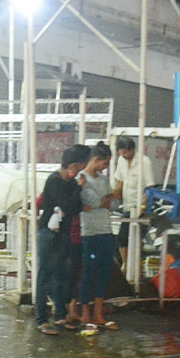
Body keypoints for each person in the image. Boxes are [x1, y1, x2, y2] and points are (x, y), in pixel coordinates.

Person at [34, 144, 90, 335]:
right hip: (49, 234)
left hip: (64, 233)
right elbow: (65, 205)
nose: (81, 171)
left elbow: (76, 207)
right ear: (73, 165)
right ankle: (41, 319)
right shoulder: (54, 180)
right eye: (81, 166)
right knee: (45, 277)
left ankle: (60, 315)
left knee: (61, 275)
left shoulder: (72, 184)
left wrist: (75, 193)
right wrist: (78, 190)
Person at [77, 141, 119, 330]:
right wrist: (104, 200)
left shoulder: (103, 179)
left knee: (103, 272)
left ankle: (98, 313)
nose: (105, 167)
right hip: (89, 232)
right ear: (96, 159)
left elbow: (108, 203)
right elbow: (90, 202)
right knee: (88, 272)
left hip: (106, 230)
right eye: (105, 163)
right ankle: (86, 312)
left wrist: (102, 201)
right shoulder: (81, 178)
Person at [111, 136, 155, 269]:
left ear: (133, 150)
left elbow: (150, 187)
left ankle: (134, 268)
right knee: (122, 238)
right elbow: (119, 181)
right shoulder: (121, 160)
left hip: (140, 207)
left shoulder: (145, 162)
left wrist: (143, 207)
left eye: (126, 152)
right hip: (127, 206)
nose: (123, 155)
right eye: (121, 152)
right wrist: (115, 194)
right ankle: (126, 264)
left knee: (136, 240)